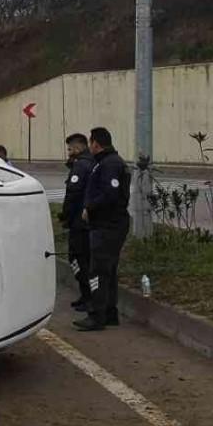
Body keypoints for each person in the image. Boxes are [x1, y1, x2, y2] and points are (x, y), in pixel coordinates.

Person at [74, 127, 131, 332]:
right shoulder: (107, 163)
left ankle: (96, 315)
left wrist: (90, 208)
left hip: (108, 225)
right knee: (107, 271)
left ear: (96, 144)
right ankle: (108, 313)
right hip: (108, 225)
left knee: (97, 271)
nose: (90, 147)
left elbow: (111, 194)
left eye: (90, 143)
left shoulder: (109, 164)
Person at [60, 133, 95, 310]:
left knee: (79, 259)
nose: (68, 152)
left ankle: (89, 298)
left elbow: (73, 194)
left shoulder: (81, 165)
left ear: (78, 147)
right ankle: (86, 295)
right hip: (84, 221)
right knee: (82, 259)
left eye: (70, 149)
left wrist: (65, 216)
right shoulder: (88, 162)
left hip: (79, 223)